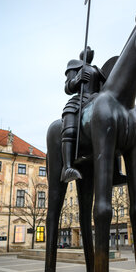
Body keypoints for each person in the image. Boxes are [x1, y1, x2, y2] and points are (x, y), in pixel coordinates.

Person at [61, 46, 106, 183]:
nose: (90, 51)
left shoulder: (98, 70)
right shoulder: (74, 64)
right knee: (70, 122)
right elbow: (67, 87)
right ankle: (67, 167)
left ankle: (116, 171)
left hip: (97, 100)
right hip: (80, 99)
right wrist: (76, 80)